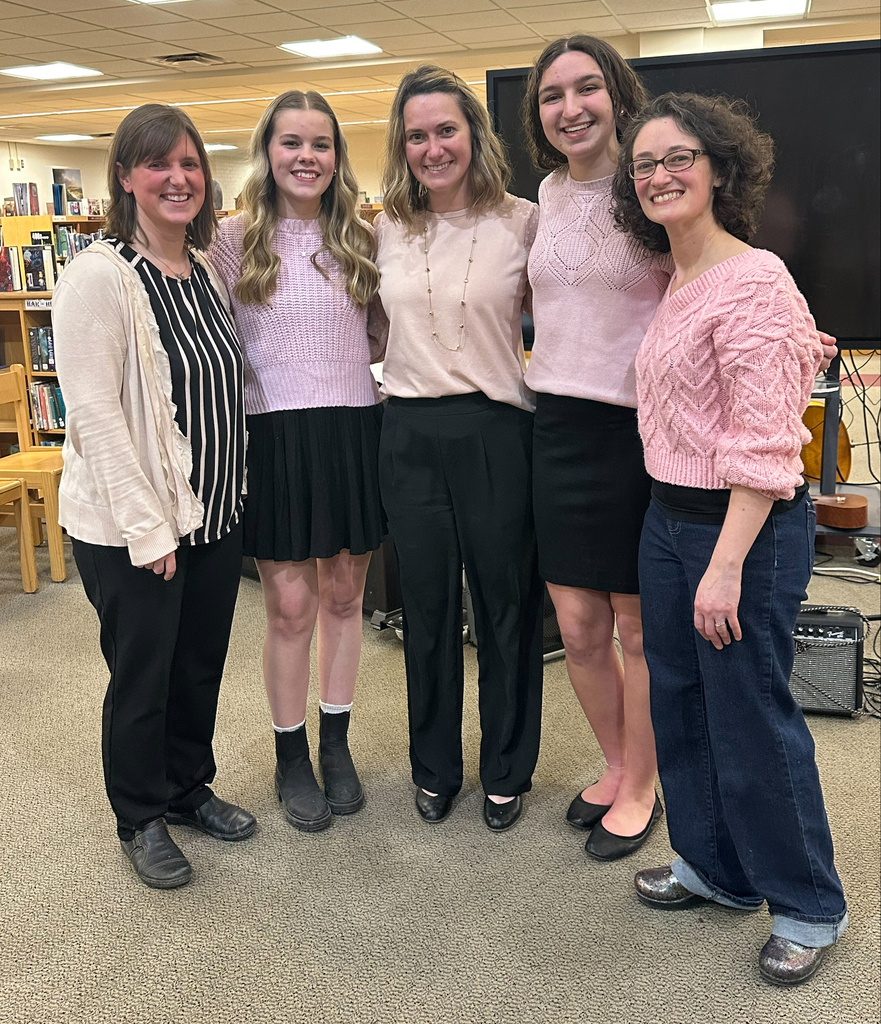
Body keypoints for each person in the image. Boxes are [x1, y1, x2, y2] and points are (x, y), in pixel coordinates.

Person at [612, 92, 848, 985]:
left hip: (737, 531)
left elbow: (762, 449)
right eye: (643, 165)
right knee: (679, 702)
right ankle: (715, 868)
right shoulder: (682, 274)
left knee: (749, 716)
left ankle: (806, 904)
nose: (659, 176)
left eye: (677, 159)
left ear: (718, 168)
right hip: (667, 518)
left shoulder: (752, 277)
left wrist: (722, 568)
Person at [53, 104, 254, 889]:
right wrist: (146, 529)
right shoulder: (99, 276)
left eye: (191, 164)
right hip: (133, 527)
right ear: (127, 179)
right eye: (158, 164)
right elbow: (95, 415)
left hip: (210, 513)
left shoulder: (203, 271)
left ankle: (185, 787)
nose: (178, 179)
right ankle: (139, 815)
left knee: (199, 663)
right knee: (143, 673)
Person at [208, 91, 384, 832]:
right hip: (272, 435)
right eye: (290, 142)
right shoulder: (228, 239)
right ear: (267, 152)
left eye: (320, 143)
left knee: (345, 597)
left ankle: (335, 740)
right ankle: (290, 754)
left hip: (350, 427)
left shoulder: (362, 238)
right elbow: (210, 344)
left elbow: (376, 337)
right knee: (287, 607)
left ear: (336, 156)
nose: (306, 156)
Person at [375, 65, 544, 830]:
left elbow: (579, 316)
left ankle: (506, 768)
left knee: (504, 605)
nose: (433, 147)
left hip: (493, 429)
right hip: (408, 431)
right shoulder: (384, 226)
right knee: (428, 608)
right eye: (417, 135)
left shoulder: (523, 221)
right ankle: (435, 766)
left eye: (446, 130)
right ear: (401, 146)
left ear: (474, 134)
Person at [520, 36, 669, 860]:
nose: (570, 108)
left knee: (636, 628)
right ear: (538, 115)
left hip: (632, 430)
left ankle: (644, 786)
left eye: (586, 89)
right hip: (556, 424)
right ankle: (614, 765)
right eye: (552, 96)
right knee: (576, 625)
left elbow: (708, 277)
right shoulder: (542, 194)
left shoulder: (649, 187)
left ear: (617, 95)